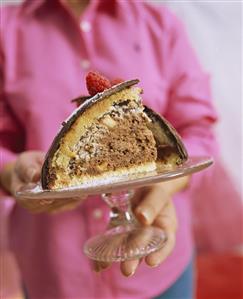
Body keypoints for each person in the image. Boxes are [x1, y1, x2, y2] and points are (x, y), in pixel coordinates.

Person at [0, 0, 218, 298]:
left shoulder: (160, 23)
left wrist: (165, 186)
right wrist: (12, 172)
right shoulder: (7, 30)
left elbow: (199, 133)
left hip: (160, 269)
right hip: (55, 273)